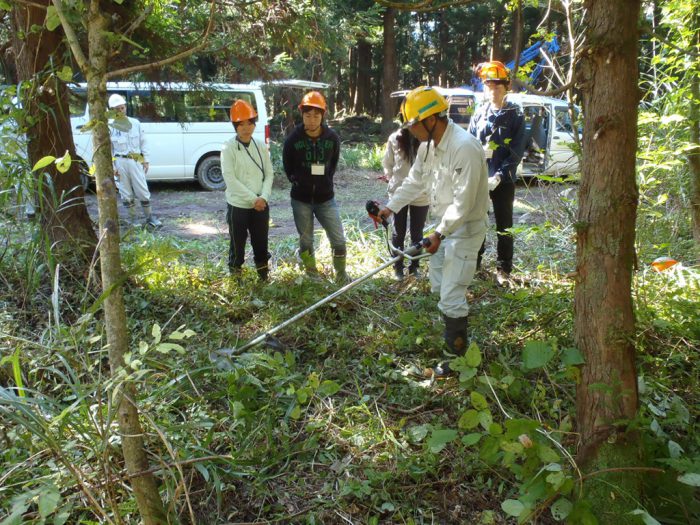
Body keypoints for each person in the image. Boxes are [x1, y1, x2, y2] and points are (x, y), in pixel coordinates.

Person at [377, 86, 489, 377]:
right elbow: (414, 182)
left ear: (430, 119)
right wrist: (390, 207)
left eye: (413, 124)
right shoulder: (427, 148)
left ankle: (456, 361)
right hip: (443, 228)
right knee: (440, 287)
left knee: (451, 293)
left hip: (464, 230)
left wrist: (438, 234)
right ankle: (453, 334)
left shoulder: (463, 147)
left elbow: (463, 203)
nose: (410, 130)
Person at [468, 61, 526, 284]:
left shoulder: (515, 114)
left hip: (504, 179)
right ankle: (475, 263)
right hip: (481, 177)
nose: (493, 90)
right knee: (477, 220)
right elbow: (470, 141)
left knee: (504, 224)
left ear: (506, 87)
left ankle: (504, 269)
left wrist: (501, 174)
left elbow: (517, 149)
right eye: (489, 86)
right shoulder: (480, 113)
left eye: (498, 86)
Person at [283, 91, 348, 283]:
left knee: (338, 239)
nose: (311, 120)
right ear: (302, 115)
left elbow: (332, 165)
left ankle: (341, 274)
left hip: (326, 199)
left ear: (323, 116)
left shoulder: (332, 138)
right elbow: (287, 165)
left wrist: (325, 181)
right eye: (307, 116)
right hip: (300, 199)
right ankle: (311, 274)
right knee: (306, 240)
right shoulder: (293, 139)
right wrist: (296, 180)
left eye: (316, 116)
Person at [221, 99, 274, 281]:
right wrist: (254, 199)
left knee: (261, 243)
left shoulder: (260, 145)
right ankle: (236, 280)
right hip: (238, 206)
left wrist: (264, 197)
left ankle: (263, 277)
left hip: (261, 205)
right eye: (241, 124)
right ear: (235, 126)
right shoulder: (228, 148)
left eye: (249, 123)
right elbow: (230, 179)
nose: (246, 128)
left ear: (254, 124)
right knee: (237, 245)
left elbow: (269, 174)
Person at [380, 126, 429, 280]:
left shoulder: (426, 139)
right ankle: (397, 267)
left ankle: (415, 267)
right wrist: (389, 176)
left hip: (421, 195)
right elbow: (387, 163)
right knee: (397, 232)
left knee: (417, 232)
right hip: (397, 193)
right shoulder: (394, 138)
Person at [107, 93, 161, 228]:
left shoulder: (135, 123)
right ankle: (133, 220)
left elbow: (144, 143)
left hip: (135, 159)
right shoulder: (110, 126)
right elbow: (109, 148)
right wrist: (113, 166)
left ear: (125, 107)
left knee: (142, 189)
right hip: (119, 160)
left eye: (122, 108)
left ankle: (150, 218)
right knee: (125, 192)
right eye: (117, 109)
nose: (120, 111)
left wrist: (145, 160)